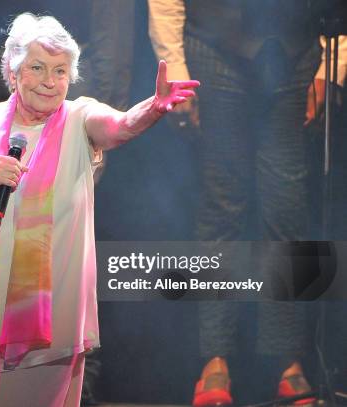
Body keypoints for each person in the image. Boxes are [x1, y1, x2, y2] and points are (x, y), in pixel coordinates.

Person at [0, 12, 199, 406]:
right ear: (13, 73)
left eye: (61, 71)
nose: (50, 82)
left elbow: (120, 126)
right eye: (38, 68)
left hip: (50, 322)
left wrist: (153, 108)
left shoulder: (79, 119)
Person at [148, 1, 344, 406]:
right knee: (222, 205)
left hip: (297, 51)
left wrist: (332, 67)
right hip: (214, 47)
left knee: (287, 208)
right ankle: (214, 358)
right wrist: (177, 73)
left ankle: (288, 361)